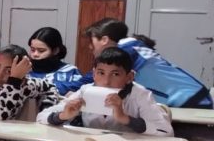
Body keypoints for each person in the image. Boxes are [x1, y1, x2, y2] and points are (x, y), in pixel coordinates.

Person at [38, 47, 173, 135]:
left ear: (129, 77)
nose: (106, 81)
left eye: (115, 74)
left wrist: (125, 119)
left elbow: (165, 132)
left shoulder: (140, 94)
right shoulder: (86, 90)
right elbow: (41, 118)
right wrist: (63, 115)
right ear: (94, 74)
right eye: (101, 73)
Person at [85, 18, 212, 108]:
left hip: (189, 101)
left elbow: (95, 78)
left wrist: (70, 86)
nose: (90, 47)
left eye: (92, 41)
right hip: (190, 97)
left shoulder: (126, 50)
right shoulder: (131, 47)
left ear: (104, 40)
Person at [26, 27, 85, 96]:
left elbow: (81, 92)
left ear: (55, 51)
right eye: (32, 50)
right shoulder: (24, 70)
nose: (35, 54)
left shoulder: (70, 71)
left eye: (41, 51)